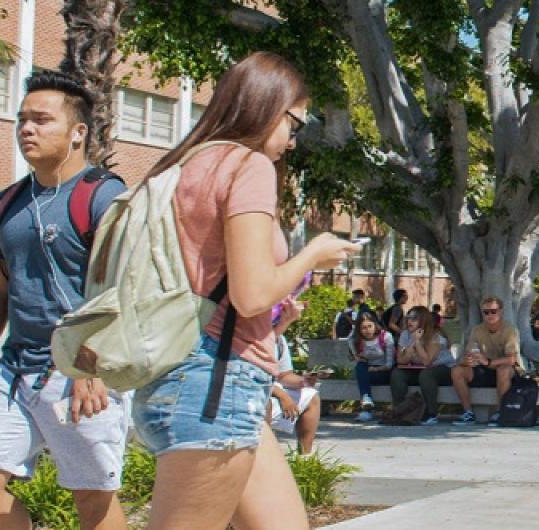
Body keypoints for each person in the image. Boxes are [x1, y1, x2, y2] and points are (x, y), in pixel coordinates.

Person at [126, 52, 358, 529]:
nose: (293, 141)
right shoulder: (248, 166)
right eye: (295, 124)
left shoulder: (186, 164)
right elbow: (253, 296)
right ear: (269, 108)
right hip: (216, 382)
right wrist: (312, 254)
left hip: (194, 376)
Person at [0, 69, 134, 530]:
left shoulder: (104, 194)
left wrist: (87, 365)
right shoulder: (7, 203)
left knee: (92, 499)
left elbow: (121, 286)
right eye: (22, 120)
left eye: (41, 120)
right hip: (15, 371)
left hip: (82, 370)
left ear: (78, 132)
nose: (27, 129)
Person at [451, 296, 524, 426]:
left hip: (505, 371)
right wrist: (466, 361)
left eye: (493, 311)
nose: (490, 315)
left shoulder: (510, 330)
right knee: (457, 371)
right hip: (483, 370)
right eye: (486, 312)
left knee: (503, 369)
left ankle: (500, 412)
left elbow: (512, 359)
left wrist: (489, 362)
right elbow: (467, 354)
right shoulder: (477, 330)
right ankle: (468, 413)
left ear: (501, 311)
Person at [392, 305, 455, 425]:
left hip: (443, 370)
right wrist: (410, 350)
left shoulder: (436, 335)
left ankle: (431, 414)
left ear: (423, 320)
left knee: (426, 374)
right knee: (397, 374)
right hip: (419, 370)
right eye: (408, 318)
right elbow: (400, 360)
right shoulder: (405, 334)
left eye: (414, 318)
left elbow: (427, 362)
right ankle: (399, 412)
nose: (409, 321)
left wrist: (417, 342)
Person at [267, 335, 322, 452]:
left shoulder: (279, 339)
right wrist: (282, 396)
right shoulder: (246, 335)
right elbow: (252, 380)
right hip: (249, 395)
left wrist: (304, 381)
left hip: (273, 390)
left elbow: (284, 376)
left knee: (311, 396)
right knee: (266, 404)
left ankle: (305, 458)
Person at [349, 315, 395, 422]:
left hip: (384, 371)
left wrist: (376, 369)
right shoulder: (357, 340)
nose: (367, 330)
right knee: (360, 366)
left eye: (370, 326)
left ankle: (366, 410)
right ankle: (366, 401)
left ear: (375, 325)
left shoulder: (386, 337)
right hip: (366, 371)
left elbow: (390, 364)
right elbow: (350, 339)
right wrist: (356, 355)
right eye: (363, 328)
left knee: (362, 374)